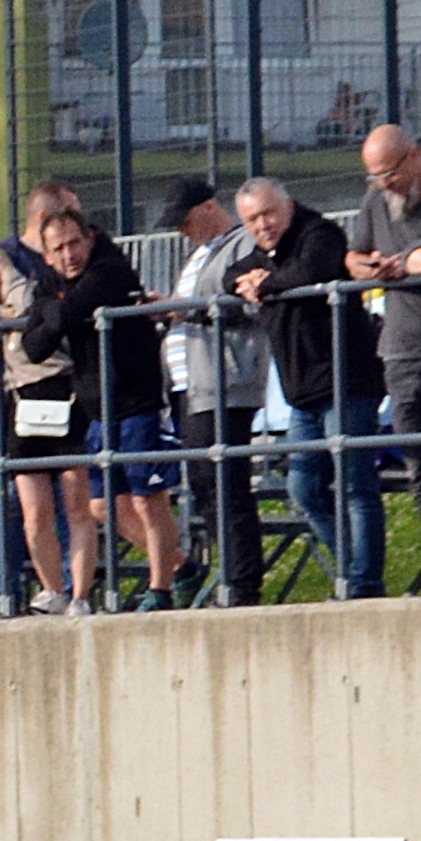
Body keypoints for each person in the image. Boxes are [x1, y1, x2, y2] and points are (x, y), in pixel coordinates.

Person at [233, 176, 387, 599]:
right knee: (303, 486)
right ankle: (353, 569)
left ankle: (365, 582)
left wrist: (264, 284)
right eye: (252, 219)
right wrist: (248, 282)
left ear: (288, 205)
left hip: (347, 382)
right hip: (302, 392)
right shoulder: (261, 254)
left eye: (268, 214)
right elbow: (234, 273)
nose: (262, 225)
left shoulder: (318, 232)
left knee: (357, 484)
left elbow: (312, 269)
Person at [25, 209, 185, 609]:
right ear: (46, 255)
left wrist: (53, 309)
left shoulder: (110, 271)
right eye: (57, 249)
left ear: (89, 238)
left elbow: (62, 314)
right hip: (96, 409)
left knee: (148, 499)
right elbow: (34, 346)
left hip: (136, 400)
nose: (68, 255)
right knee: (101, 505)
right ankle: (179, 565)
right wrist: (55, 309)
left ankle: (160, 588)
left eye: (74, 243)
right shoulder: (51, 284)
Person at [346, 125, 421, 593]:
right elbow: (351, 259)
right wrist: (370, 267)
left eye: (389, 173)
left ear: (414, 157)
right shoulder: (377, 204)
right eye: (374, 177)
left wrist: (413, 260)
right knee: (419, 471)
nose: (384, 184)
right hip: (399, 351)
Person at [0, 242, 98, 615]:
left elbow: (29, 306)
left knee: (76, 504)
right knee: (35, 511)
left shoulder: (30, 294)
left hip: (60, 394)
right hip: (19, 411)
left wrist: (9, 274)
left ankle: (81, 594)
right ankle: (52, 588)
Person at [163, 177, 269, 608]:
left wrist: (188, 310)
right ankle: (231, 575)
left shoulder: (242, 243)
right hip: (191, 383)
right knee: (205, 483)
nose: (182, 232)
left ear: (208, 209)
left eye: (186, 221)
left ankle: (242, 583)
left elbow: (246, 302)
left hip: (225, 381)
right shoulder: (198, 254)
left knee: (225, 480)